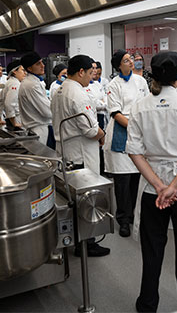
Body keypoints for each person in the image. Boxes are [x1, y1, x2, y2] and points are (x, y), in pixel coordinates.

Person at [127, 51, 177, 312]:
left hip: (153, 190)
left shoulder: (140, 107)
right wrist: (173, 187)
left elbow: (134, 152)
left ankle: (147, 305)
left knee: (152, 253)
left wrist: (160, 186)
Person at [50, 55, 110, 258]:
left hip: (66, 150)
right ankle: (86, 243)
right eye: (90, 73)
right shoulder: (77, 94)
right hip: (80, 153)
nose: (92, 77)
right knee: (85, 198)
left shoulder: (60, 90)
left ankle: (76, 239)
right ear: (81, 72)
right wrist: (102, 135)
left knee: (72, 197)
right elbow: (90, 130)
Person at [104, 50, 149, 238]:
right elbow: (115, 113)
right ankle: (123, 219)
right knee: (122, 182)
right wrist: (135, 128)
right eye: (126, 60)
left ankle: (134, 215)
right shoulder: (114, 85)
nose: (131, 62)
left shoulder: (141, 81)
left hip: (140, 129)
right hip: (122, 130)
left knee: (137, 179)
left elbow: (148, 103)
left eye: (130, 58)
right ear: (118, 66)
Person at [18, 51, 52, 145]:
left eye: (42, 62)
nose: (43, 65)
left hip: (36, 128)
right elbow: (47, 112)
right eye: (38, 64)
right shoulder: (32, 85)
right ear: (29, 68)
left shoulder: (33, 82)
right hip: (37, 129)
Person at [0, 60, 26, 130]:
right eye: (23, 70)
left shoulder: (10, 82)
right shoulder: (15, 84)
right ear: (14, 71)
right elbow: (9, 104)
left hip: (12, 119)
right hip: (16, 119)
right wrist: (14, 123)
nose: (25, 73)